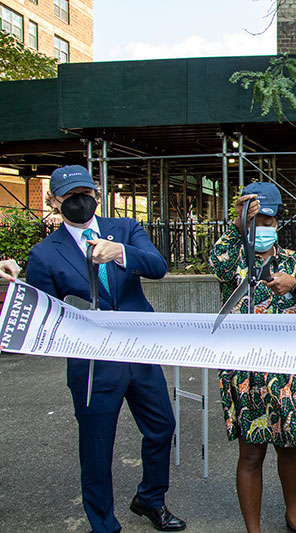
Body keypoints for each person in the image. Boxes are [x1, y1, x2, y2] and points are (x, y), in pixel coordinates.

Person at [26, 165, 185, 533]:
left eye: (85, 193)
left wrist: (120, 252)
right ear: (55, 201)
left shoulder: (125, 229)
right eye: (69, 197)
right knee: (97, 448)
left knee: (162, 427)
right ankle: (103, 523)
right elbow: (42, 316)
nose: (80, 202)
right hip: (93, 365)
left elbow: (158, 267)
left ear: (97, 195)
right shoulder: (45, 254)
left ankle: (151, 499)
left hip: (140, 353)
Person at [208, 182, 296, 533]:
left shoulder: (294, 262)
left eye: (269, 221)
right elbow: (216, 260)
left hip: (289, 373)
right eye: (257, 222)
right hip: (247, 373)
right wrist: (239, 224)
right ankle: (253, 530)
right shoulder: (234, 259)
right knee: (251, 454)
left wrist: (295, 286)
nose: (264, 228)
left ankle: (293, 514)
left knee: (289, 447)